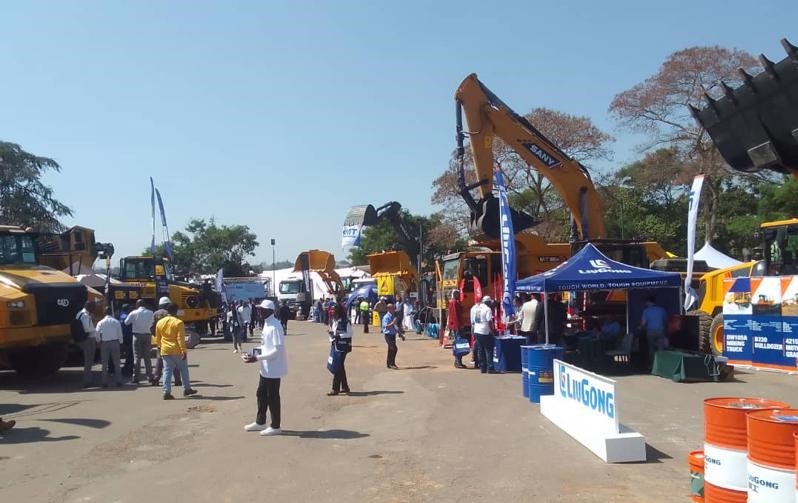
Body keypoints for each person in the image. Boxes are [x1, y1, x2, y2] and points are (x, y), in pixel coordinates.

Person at [242, 299, 287, 436]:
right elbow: (265, 346)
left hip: (274, 369)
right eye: (259, 309)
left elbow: (277, 351)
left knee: (272, 397)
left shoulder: (275, 327)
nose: (259, 311)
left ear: (270, 311)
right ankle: (260, 422)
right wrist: (252, 352)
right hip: (265, 368)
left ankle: (276, 426)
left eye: (262, 309)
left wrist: (257, 358)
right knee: (261, 394)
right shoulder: (267, 324)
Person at [155, 302, 198, 400]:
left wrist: (160, 347)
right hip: (177, 350)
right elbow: (180, 338)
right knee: (183, 369)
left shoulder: (160, 322)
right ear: (176, 311)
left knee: (167, 371)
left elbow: (158, 338)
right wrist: (183, 351)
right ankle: (187, 389)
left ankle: (166, 392)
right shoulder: (178, 322)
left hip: (165, 350)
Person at [152, 297, 181, 387]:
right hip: (171, 340)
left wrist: (156, 336)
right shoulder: (170, 314)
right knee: (174, 360)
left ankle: (156, 379)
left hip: (160, 339)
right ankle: (177, 380)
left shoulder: (155, 314)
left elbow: (152, 327)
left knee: (159, 360)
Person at [125, 299, 155, 384]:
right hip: (147, 335)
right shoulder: (150, 312)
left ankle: (136, 377)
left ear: (137, 305)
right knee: (147, 357)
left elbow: (126, 322)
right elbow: (153, 322)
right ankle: (150, 376)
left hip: (137, 336)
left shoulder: (133, 313)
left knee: (137, 357)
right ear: (144, 305)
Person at [327, 303, 352, 395]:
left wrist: (339, 336)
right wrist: (331, 336)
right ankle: (345, 387)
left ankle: (335, 389)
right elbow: (334, 333)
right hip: (335, 346)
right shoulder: (334, 321)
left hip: (343, 347)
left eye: (334, 310)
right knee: (340, 367)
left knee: (338, 367)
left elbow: (350, 333)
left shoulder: (345, 321)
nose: (332, 312)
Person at [96, 307, 124, 388]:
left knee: (104, 364)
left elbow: (97, 333)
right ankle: (119, 381)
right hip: (115, 342)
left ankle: (104, 382)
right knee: (117, 363)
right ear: (112, 313)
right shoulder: (116, 322)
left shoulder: (101, 322)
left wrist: (99, 341)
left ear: (104, 313)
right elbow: (120, 333)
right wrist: (121, 342)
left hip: (104, 343)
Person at [639, 296, 668, 365]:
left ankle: (652, 365)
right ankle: (660, 365)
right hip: (660, 331)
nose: (646, 303)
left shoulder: (646, 311)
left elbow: (643, 323)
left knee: (651, 349)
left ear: (648, 302)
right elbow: (665, 321)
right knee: (661, 349)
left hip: (650, 332)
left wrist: (640, 328)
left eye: (646, 302)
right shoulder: (662, 310)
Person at [76, 300, 98, 387]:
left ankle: (88, 380)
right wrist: (95, 329)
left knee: (88, 361)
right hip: (88, 340)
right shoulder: (85, 316)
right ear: (89, 307)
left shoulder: (80, 313)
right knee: (88, 361)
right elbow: (87, 329)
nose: (95, 309)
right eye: (94, 307)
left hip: (83, 339)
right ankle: (87, 381)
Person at [471, 296, 496, 374]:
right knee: (488, 350)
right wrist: (492, 331)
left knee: (480, 350)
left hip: (477, 330)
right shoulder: (488, 309)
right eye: (490, 302)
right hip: (485, 331)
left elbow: (473, 320)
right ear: (488, 302)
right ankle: (490, 368)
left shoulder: (476, 308)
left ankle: (482, 368)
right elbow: (489, 321)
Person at [447, 290, 468, 368]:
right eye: (458, 294)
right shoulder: (454, 303)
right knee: (459, 344)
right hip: (457, 326)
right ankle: (458, 361)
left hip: (456, 326)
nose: (459, 295)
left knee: (458, 343)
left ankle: (458, 361)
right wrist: (458, 326)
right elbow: (455, 315)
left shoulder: (454, 302)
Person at [381, 303, 404, 369]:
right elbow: (386, 327)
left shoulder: (393, 316)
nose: (394, 309)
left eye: (394, 308)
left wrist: (401, 334)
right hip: (388, 335)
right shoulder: (386, 317)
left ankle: (389, 364)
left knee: (390, 349)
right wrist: (393, 322)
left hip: (393, 335)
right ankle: (391, 363)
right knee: (394, 348)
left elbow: (395, 327)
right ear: (388, 309)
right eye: (393, 308)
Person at [119, 304, 134, 378]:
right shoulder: (126, 316)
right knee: (130, 354)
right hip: (128, 337)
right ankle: (127, 370)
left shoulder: (121, 315)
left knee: (128, 354)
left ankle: (126, 369)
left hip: (124, 337)